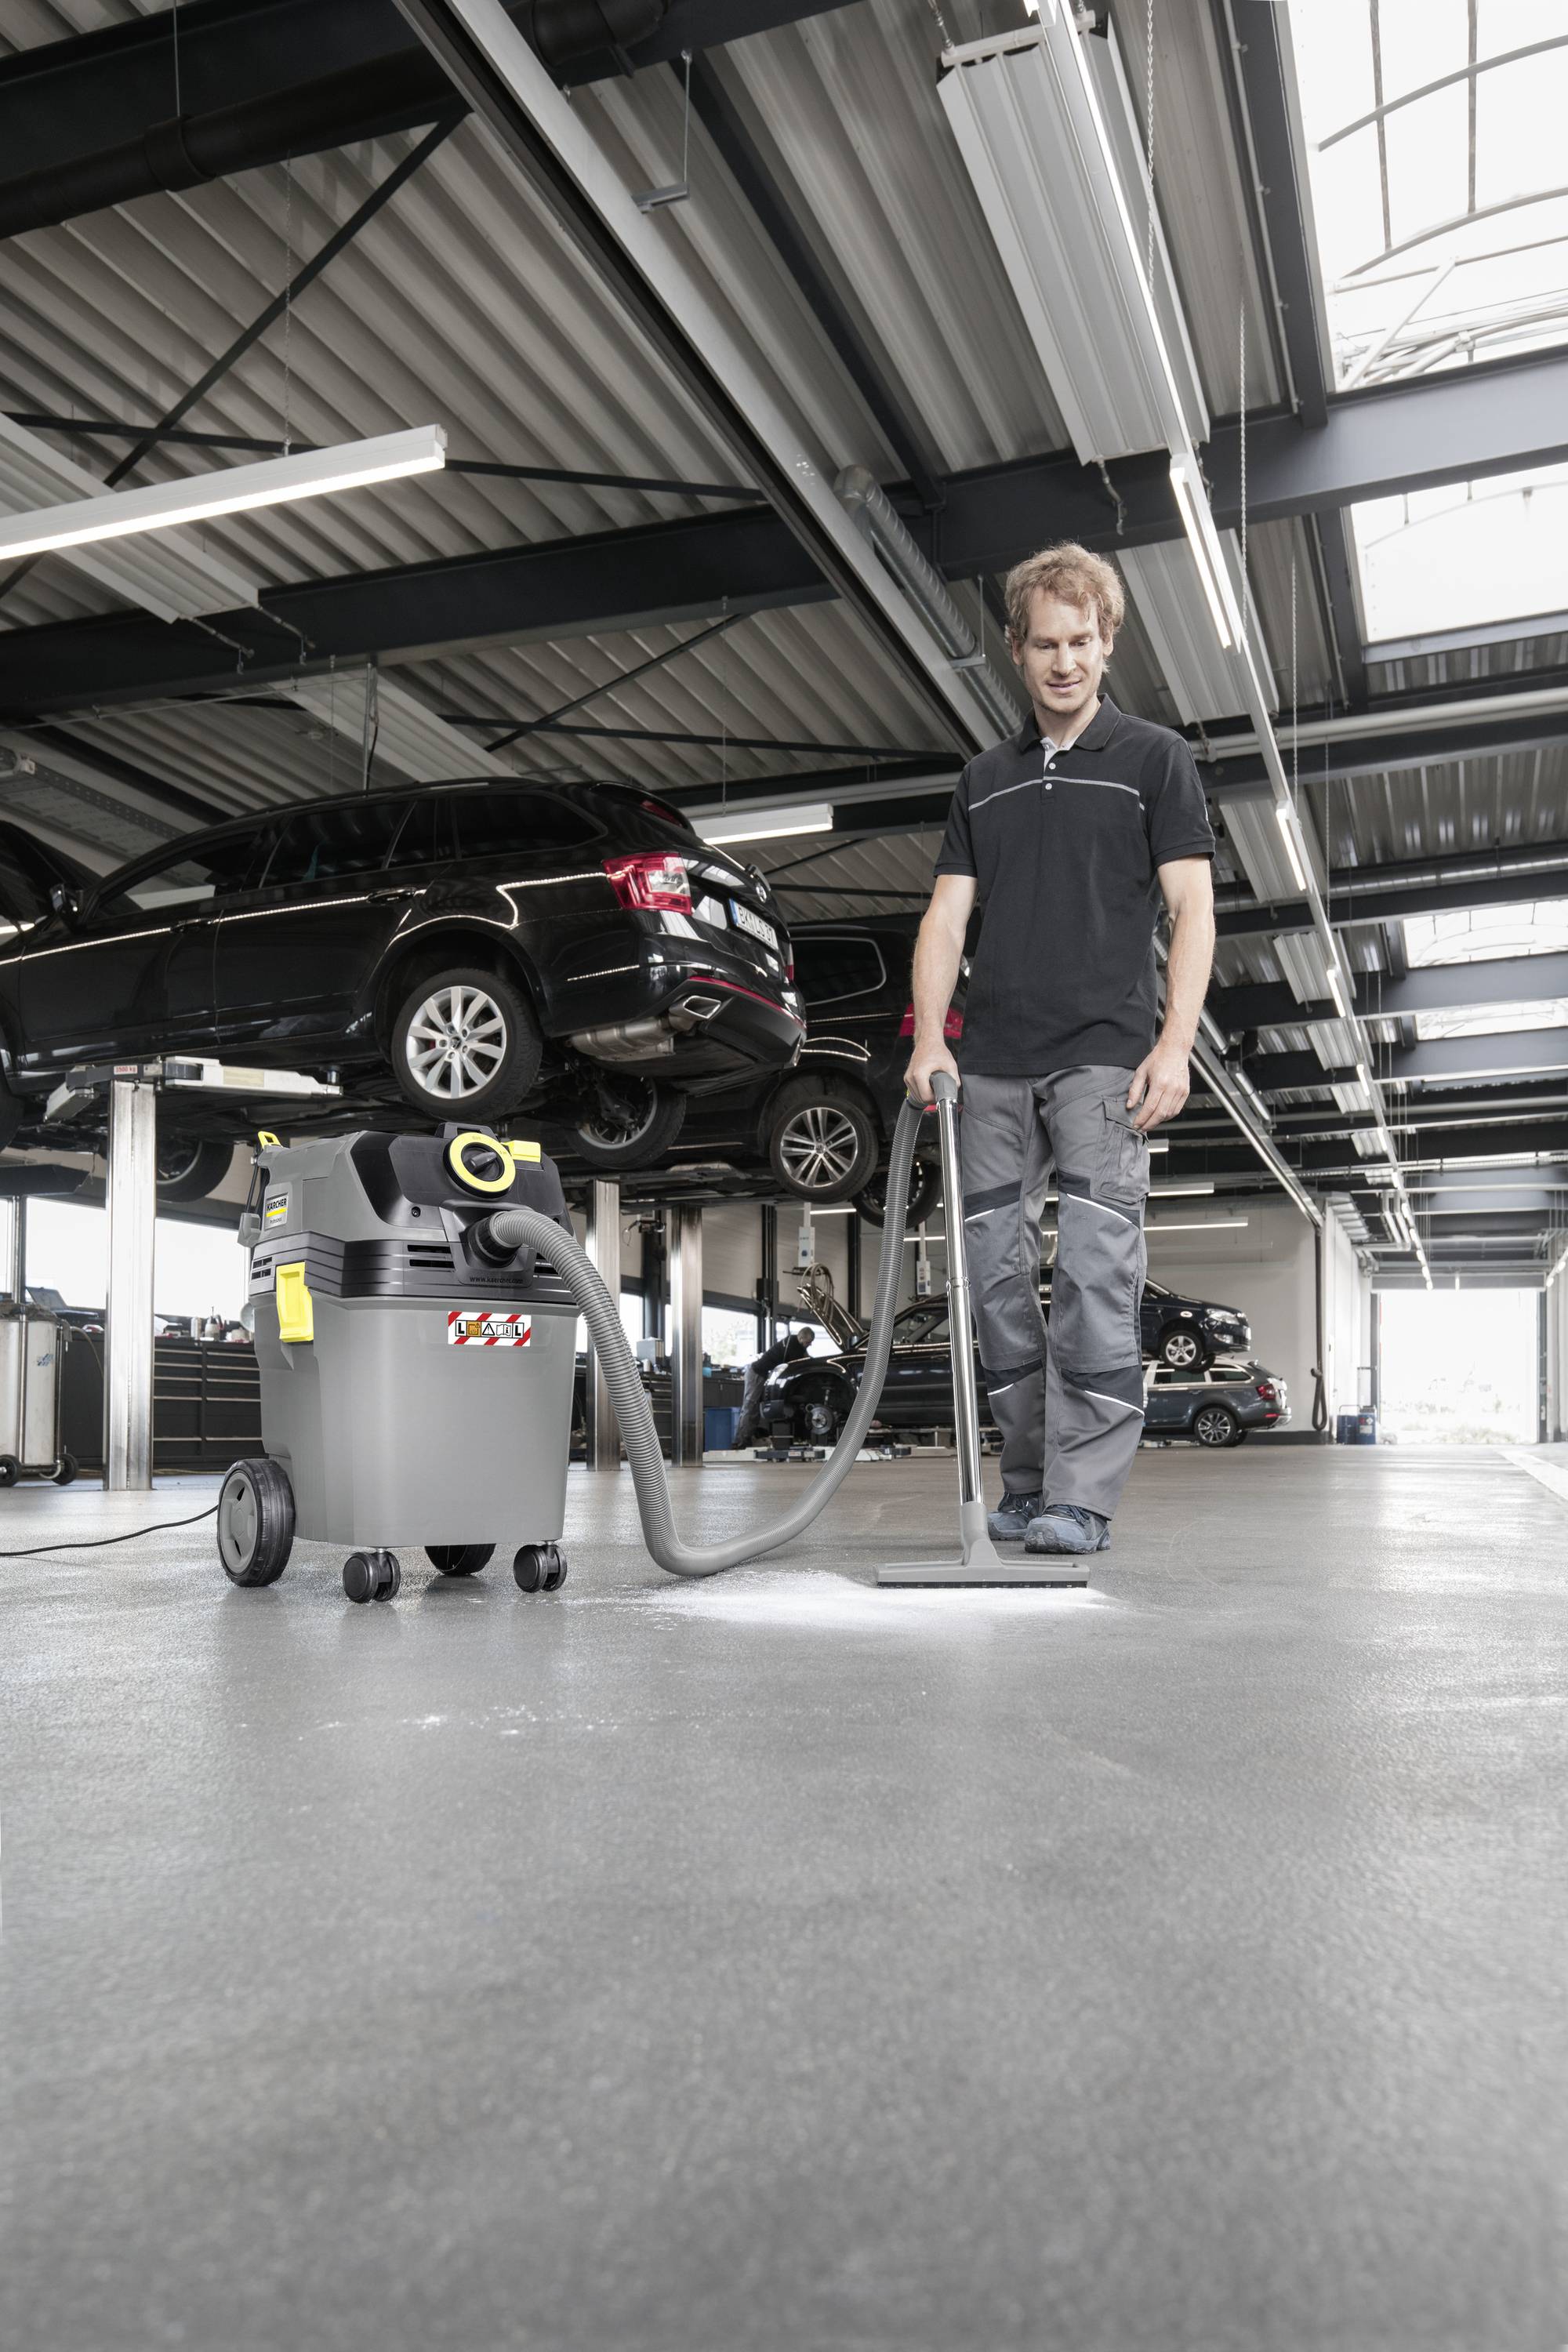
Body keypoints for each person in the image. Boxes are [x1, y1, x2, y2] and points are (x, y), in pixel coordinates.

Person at [904, 543, 1215, 1556]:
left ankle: (1081, 1494)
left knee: (1090, 1274)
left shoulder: (1152, 760)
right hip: (990, 1062)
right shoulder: (982, 782)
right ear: (1017, 651)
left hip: (1102, 1060)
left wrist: (1175, 1045)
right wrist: (930, 1044)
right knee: (991, 1278)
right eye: (1046, 644)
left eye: (1082, 641)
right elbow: (947, 922)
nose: (1065, 662)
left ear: (1107, 641)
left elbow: (1193, 909)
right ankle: (1029, 1477)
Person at [734, 1327, 813, 1450]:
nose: (809, 1345)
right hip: (756, 1373)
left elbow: (806, 1358)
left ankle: (747, 1439)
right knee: (750, 1407)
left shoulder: (795, 1343)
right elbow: (799, 1362)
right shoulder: (792, 1345)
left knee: (754, 1411)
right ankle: (740, 1442)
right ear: (801, 1337)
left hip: (761, 1375)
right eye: (808, 1342)